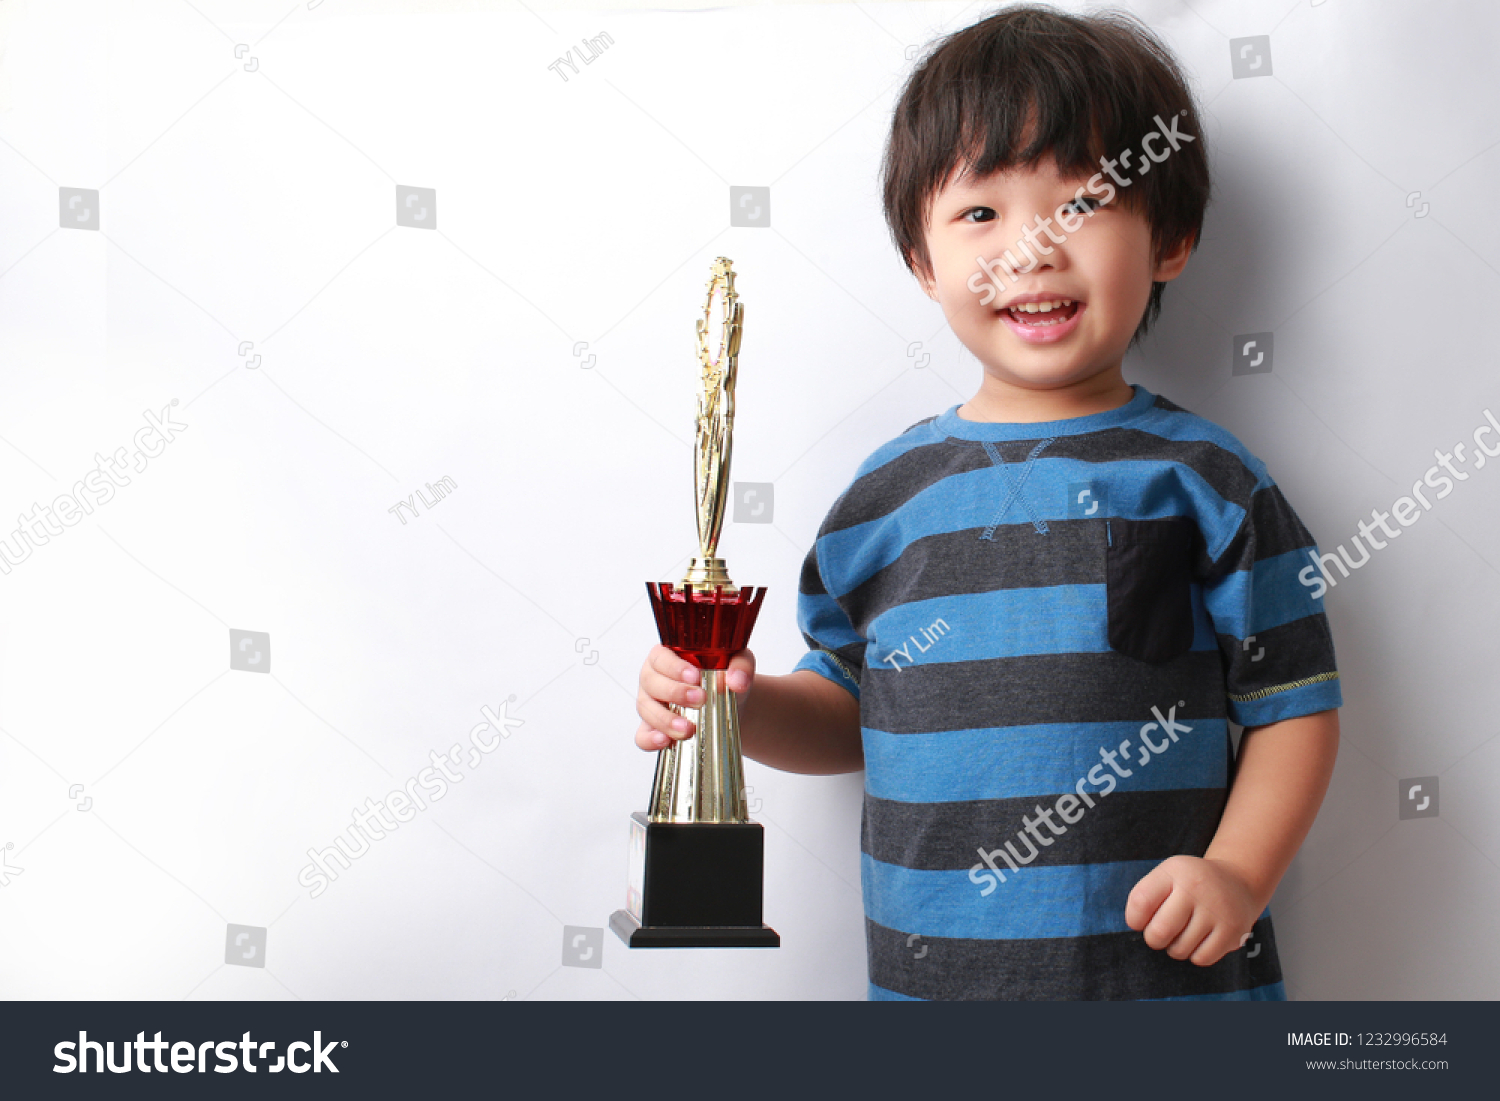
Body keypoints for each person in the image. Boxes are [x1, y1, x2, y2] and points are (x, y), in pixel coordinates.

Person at [634, 3, 1340, 1001]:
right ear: (924, 263)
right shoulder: (883, 501)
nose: (1032, 249)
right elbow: (845, 711)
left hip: (1165, 997)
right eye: (981, 213)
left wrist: (1238, 871)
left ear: (1170, 238)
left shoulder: (1208, 482)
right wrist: (733, 705)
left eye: (1082, 204)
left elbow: (1295, 705)